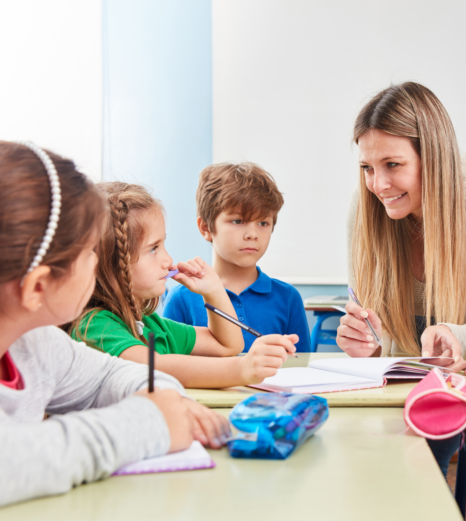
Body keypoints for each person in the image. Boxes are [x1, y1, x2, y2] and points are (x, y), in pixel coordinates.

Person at [0, 141, 228, 507]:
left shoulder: (36, 343)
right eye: (90, 253)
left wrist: (168, 401)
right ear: (37, 287)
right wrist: (150, 422)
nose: (100, 264)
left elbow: (111, 376)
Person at [336, 82, 466, 475]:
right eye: (367, 168)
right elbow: (378, 338)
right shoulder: (366, 206)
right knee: (386, 469)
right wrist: (364, 344)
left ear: (434, 156)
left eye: (393, 165)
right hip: (408, 377)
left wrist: (453, 335)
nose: (378, 185)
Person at [72, 182, 297, 388]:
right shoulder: (92, 325)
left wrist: (214, 291)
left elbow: (228, 345)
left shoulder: (150, 324)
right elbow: (152, 368)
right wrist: (242, 369)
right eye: (153, 248)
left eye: (163, 245)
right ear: (110, 264)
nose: (168, 260)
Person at [163, 162, 311, 352]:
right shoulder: (181, 298)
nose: (252, 234)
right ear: (206, 228)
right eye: (238, 221)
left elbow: (301, 367)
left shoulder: (288, 298)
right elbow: (168, 367)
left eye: (263, 223)